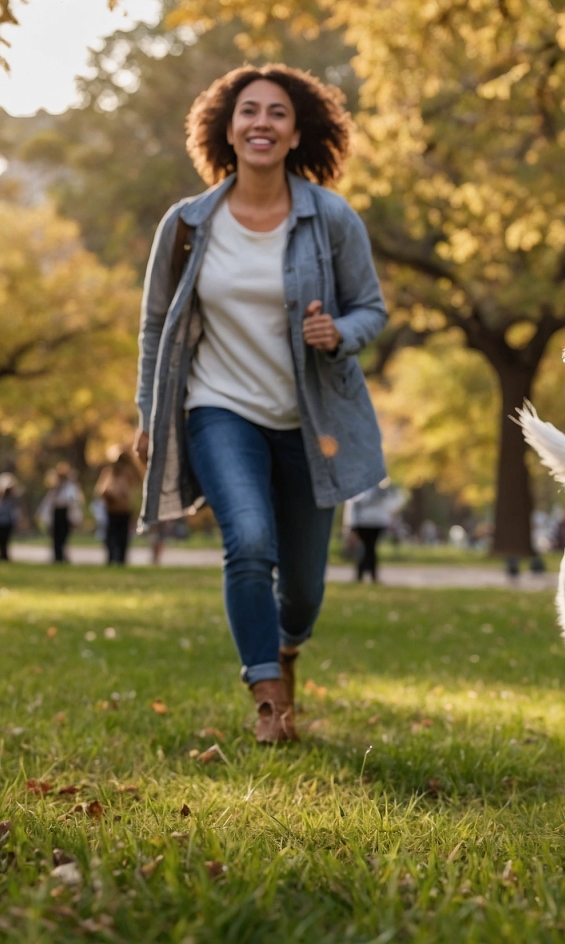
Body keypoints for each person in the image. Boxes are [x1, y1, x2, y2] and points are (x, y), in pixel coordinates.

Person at [134, 64, 387, 744]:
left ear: (298, 132)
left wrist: (338, 334)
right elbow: (158, 323)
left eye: (277, 113)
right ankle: (268, 696)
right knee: (247, 542)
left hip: (313, 422)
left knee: (302, 590)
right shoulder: (187, 223)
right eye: (249, 111)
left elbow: (371, 309)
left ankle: (286, 645)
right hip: (219, 408)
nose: (262, 124)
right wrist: (147, 413)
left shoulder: (330, 218)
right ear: (226, 127)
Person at [343, 481, 406, 583]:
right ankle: (369, 575)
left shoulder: (379, 488)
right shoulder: (377, 488)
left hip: (372, 521)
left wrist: (350, 523)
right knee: (369, 548)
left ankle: (363, 575)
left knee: (368, 548)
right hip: (369, 521)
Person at [95, 446, 138, 565]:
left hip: (124, 510)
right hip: (111, 510)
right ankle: (110, 559)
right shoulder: (108, 473)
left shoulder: (128, 473)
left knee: (123, 538)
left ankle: (121, 561)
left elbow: (136, 485)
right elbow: (100, 490)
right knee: (110, 537)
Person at [38, 463, 84, 563]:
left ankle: (62, 555)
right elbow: (48, 502)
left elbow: (73, 500)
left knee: (63, 536)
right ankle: (57, 557)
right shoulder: (54, 487)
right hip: (56, 513)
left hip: (65, 513)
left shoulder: (70, 486)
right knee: (55, 537)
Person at [0, 473, 20, 561]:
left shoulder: (12, 500)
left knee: (4, 543)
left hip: (7, 523)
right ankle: (0, 556)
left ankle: (4, 557)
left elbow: (15, 513)